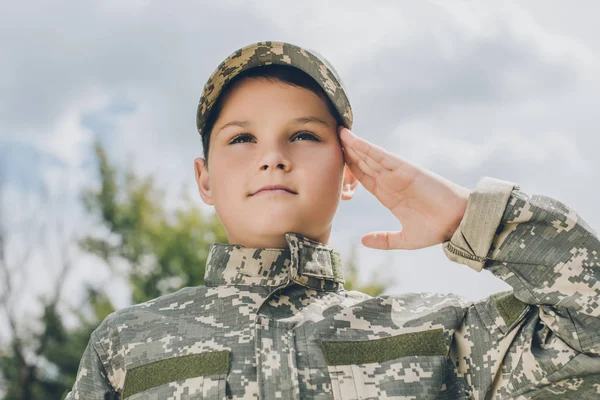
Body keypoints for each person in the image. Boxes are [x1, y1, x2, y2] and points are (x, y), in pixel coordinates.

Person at [65, 41, 600, 399]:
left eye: (303, 135)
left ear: (349, 173)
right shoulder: (127, 343)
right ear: (204, 179)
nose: (272, 156)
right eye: (241, 138)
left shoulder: (438, 334)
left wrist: (471, 217)